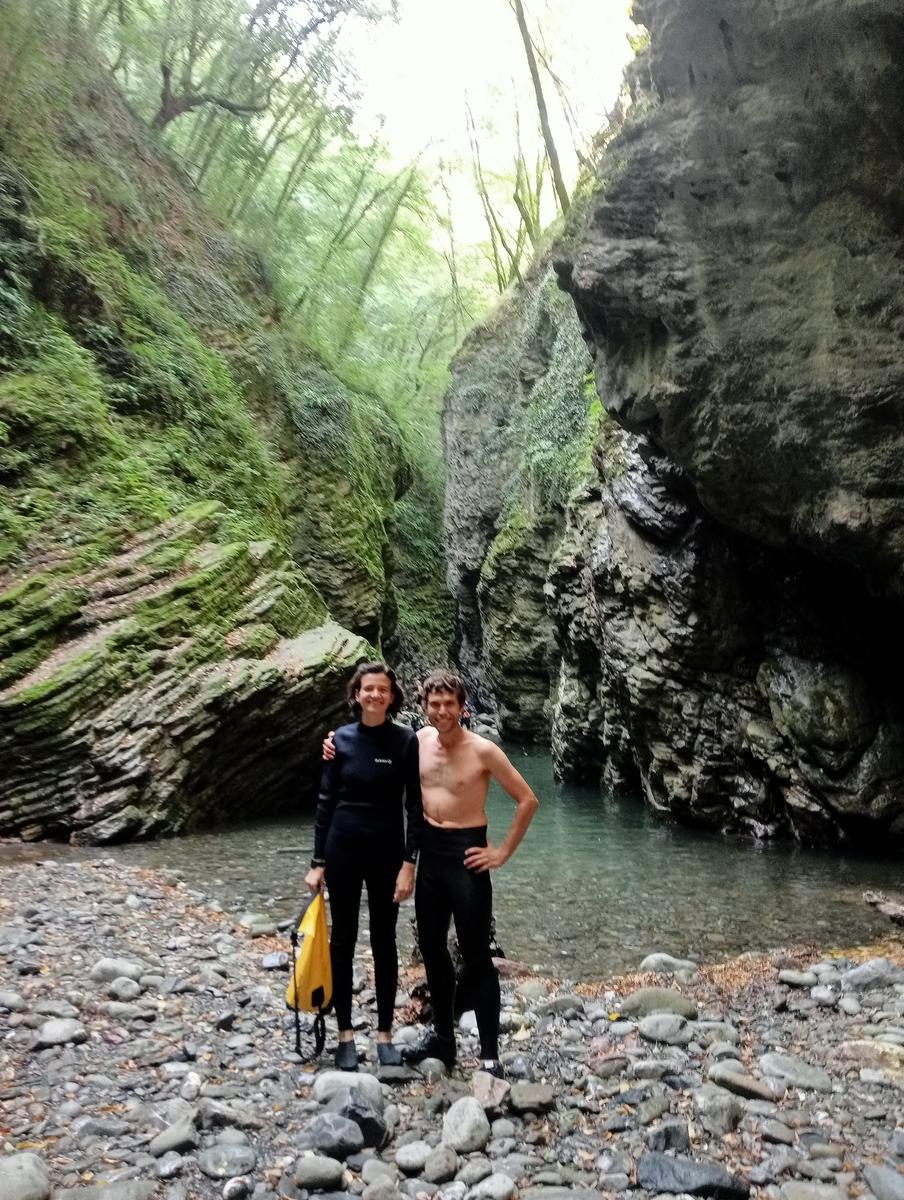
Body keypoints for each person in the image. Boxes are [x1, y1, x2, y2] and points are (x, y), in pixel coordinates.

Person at [323, 669, 539, 1076]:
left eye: (449, 704)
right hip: (430, 858)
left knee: (477, 956)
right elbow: (372, 750)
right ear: (423, 707)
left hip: (467, 855)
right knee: (435, 951)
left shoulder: (484, 751)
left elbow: (527, 800)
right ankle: (443, 1038)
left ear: (463, 707)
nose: (442, 711)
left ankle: (490, 1054)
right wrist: (332, 744)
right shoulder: (415, 742)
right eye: (434, 704)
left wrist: (502, 852)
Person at [306, 661, 423, 1071]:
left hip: (387, 851)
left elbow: (415, 806)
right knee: (343, 940)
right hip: (342, 848)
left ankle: (385, 1034)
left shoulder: (406, 741)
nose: (375, 695)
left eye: (383, 690)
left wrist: (410, 862)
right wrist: (317, 862)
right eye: (368, 689)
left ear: (392, 697)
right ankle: (344, 1036)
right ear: (356, 694)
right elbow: (325, 802)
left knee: (384, 939)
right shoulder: (340, 739)